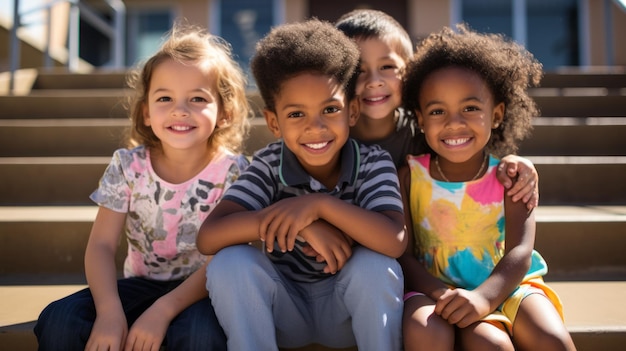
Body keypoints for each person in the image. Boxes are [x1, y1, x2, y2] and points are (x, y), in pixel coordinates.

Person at [34, 22, 251, 351]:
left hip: (203, 289)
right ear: (147, 112)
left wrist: (162, 311)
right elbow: (102, 247)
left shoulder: (235, 173)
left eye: (197, 98)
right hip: (139, 284)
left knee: (200, 338)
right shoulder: (128, 166)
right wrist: (109, 312)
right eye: (165, 97)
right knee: (59, 319)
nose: (180, 109)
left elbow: (225, 261)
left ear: (224, 112)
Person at [196, 19, 406, 351]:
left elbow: (394, 241)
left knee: (377, 266)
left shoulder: (372, 161)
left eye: (330, 109)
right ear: (273, 122)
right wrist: (301, 225)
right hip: (284, 312)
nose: (316, 127)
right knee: (229, 262)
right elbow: (209, 237)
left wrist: (318, 206)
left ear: (352, 111)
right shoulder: (268, 163)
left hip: (346, 313)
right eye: (296, 115)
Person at [398, 24, 576, 351]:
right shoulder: (409, 176)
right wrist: (447, 295)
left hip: (507, 285)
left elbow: (520, 252)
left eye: (470, 108)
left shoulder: (509, 177)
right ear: (421, 120)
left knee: (552, 339)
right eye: (438, 111)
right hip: (435, 288)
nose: (454, 122)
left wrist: (482, 298)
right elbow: (403, 254)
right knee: (490, 345)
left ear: (496, 115)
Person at [335, 9, 539, 210]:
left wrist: (515, 163)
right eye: (358, 70)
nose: (374, 82)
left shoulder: (425, 128)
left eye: (387, 67)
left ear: (409, 72)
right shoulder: (329, 133)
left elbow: (474, 157)